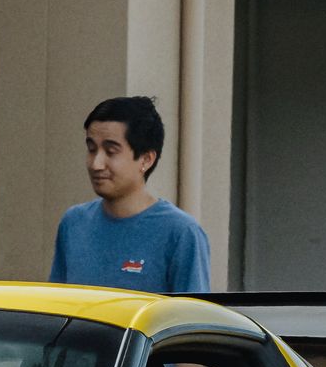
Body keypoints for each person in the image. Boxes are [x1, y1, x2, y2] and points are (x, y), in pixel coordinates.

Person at [48, 94, 212, 294]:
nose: (96, 164)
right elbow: (58, 306)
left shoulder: (181, 233)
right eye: (91, 149)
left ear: (146, 159)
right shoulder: (74, 223)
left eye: (111, 151)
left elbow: (192, 320)